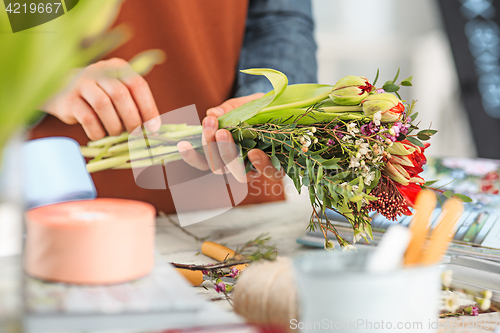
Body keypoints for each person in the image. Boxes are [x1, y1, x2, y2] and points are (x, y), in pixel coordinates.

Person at [31, 0, 318, 213]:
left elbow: (279, 17)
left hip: (234, 197)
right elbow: (18, 14)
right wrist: (40, 80)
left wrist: (264, 103)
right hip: (67, 196)